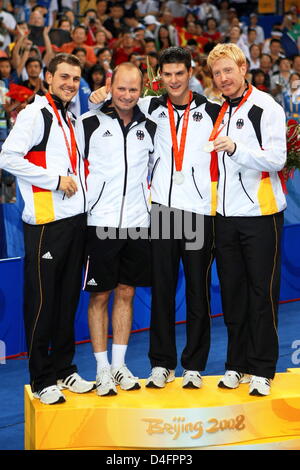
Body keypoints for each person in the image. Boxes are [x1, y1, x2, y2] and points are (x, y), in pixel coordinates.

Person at [90, 47, 220, 389]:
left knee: (197, 291)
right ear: (158, 77)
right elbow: (108, 107)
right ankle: (162, 364)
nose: (174, 80)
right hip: (161, 210)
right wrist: (96, 94)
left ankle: (193, 365)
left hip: (196, 210)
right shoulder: (148, 107)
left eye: (180, 73)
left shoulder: (211, 111)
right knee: (162, 289)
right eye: (168, 74)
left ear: (191, 73)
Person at [0, 53, 95, 405]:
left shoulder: (68, 117)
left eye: (75, 79)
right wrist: (55, 181)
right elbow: (8, 157)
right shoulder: (35, 114)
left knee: (68, 299)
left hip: (74, 220)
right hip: (45, 224)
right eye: (64, 77)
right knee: (42, 302)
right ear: (49, 78)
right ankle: (42, 378)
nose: (70, 84)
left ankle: (64, 369)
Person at [207, 43, 287, 396]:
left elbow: (278, 159)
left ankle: (263, 368)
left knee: (262, 293)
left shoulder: (265, 106)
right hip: (225, 218)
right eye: (217, 73)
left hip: (260, 215)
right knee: (233, 294)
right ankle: (236, 364)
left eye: (228, 70)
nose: (223, 78)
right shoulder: (221, 110)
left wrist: (237, 149)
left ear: (243, 68)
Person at [77, 62, 155, 396]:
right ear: (111, 86)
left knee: (126, 292)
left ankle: (121, 365)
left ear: (141, 91)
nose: (126, 95)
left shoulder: (150, 127)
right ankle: (102, 368)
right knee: (100, 295)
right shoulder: (88, 122)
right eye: (121, 88)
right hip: (100, 223)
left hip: (138, 223)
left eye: (132, 89)